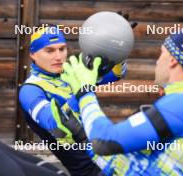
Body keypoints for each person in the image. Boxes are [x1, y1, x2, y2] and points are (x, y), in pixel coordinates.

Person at [58, 29, 183, 175]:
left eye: (162, 54)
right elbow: (128, 164)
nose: (157, 62)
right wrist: (84, 137)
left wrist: (85, 92)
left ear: (173, 60)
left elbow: (105, 142)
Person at [18, 25, 127, 176]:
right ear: (33, 54)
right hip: (91, 170)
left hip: (112, 154)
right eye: (49, 50)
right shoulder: (30, 90)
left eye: (62, 49)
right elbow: (54, 123)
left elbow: (116, 74)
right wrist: (81, 92)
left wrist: (118, 48)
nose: (58, 56)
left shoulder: (71, 73)